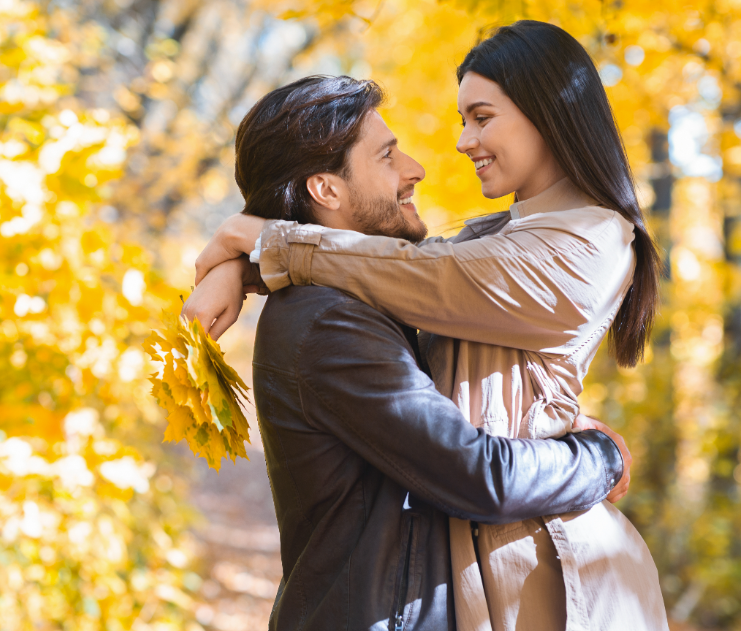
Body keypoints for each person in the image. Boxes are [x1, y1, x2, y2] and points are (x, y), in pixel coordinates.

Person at [186, 21, 668, 631]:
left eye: (482, 117)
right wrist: (244, 263)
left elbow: (422, 275)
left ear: (548, 113)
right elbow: (407, 275)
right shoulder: (472, 250)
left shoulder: (593, 240)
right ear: (325, 187)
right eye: (388, 154)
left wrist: (254, 245)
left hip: (564, 583)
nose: (460, 144)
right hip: (502, 577)